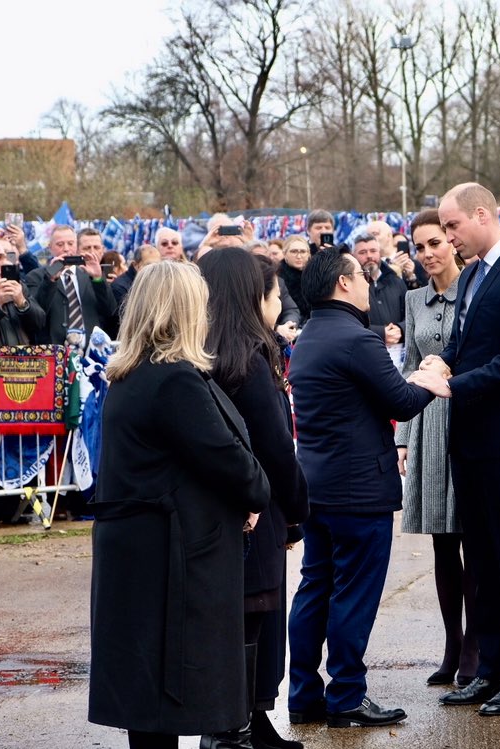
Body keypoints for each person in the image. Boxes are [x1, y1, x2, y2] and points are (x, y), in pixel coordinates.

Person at [88, 261, 270, 749]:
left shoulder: (131, 374)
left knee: (146, 699)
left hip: (139, 550)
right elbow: (227, 460)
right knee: (160, 689)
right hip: (166, 556)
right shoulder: (173, 380)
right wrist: (254, 491)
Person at [409, 182, 500, 718]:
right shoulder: (472, 274)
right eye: (443, 230)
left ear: (482, 215)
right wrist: (443, 361)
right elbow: (465, 341)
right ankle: (487, 668)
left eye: (452, 227)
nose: (447, 239)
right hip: (468, 438)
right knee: (481, 561)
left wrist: (456, 385)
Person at [286, 248, 433, 729]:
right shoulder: (357, 338)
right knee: (352, 593)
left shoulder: (308, 336)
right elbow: (404, 401)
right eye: (362, 276)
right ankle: (346, 694)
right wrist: (431, 378)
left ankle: (304, 695)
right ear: (344, 284)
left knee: (315, 588)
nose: (370, 285)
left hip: (318, 485)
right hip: (358, 491)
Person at [198, 248, 309, 749]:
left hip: (225, 511)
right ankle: (233, 728)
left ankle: (252, 721)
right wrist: (297, 510)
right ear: (251, 297)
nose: (279, 301)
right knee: (255, 617)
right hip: (256, 509)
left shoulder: (205, 353)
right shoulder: (249, 359)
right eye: (273, 293)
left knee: (243, 616)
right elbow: (276, 448)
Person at [395, 209, 478, 687]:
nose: (427, 254)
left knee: (473, 539)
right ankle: (451, 644)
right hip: (427, 422)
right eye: (419, 246)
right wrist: (403, 436)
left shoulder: (476, 290)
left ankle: (475, 647)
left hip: (466, 417)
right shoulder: (412, 301)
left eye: (434, 244)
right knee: (443, 546)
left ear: (452, 242)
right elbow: (408, 364)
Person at [25, 224, 118, 350]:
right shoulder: (36, 276)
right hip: (54, 354)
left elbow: (109, 310)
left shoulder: (88, 274)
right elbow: (36, 316)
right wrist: (50, 279)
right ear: (50, 248)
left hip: (91, 354)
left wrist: (98, 279)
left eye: (70, 243)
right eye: (60, 244)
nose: (66, 249)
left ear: (77, 247)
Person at [351, 231, 407, 348]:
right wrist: (381, 333)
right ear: (353, 256)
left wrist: (400, 329)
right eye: (362, 252)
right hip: (366, 350)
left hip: (400, 351)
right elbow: (349, 324)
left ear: (380, 253)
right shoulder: (350, 286)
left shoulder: (396, 281)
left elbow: (412, 316)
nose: (369, 256)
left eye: (373, 251)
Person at [277, 235, 311, 326]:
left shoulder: (316, 275)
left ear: (308, 254)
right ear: (284, 254)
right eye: (294, 251)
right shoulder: (277, 276)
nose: (299, 256)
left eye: (303, 252)